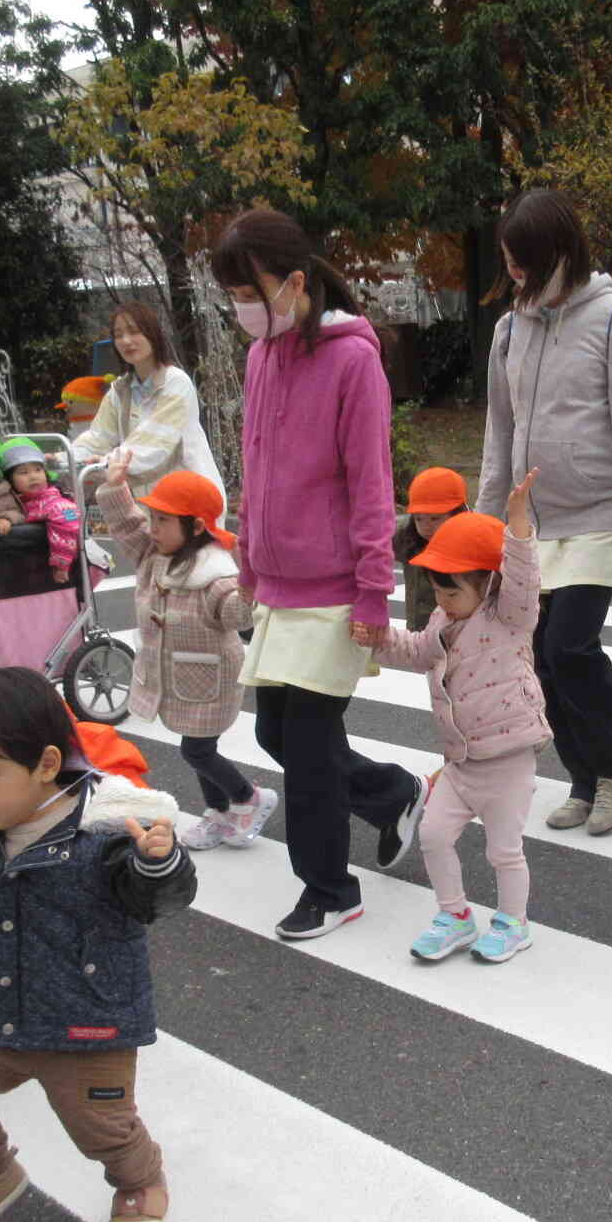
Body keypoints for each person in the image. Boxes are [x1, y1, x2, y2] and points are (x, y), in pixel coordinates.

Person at [0, 668, 193, 1222]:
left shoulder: (107, 826)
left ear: (45, 764)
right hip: (3, 1005)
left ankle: (139, 1179)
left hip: (89, 1020)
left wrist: (158, 862)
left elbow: (156, 900)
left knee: (101, 1128)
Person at [210, 209, 429, 941]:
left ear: (296, 283)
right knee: (276, 734)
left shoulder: (352, 360)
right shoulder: (262, 355)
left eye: (252, 291)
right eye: (233, 294)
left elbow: (371, 484)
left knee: (304, 751)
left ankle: (330, 888)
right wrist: (246, 555)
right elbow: (253, 464)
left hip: (336, 587)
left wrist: (374, 590)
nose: (242, 308)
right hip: (278, 585)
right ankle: (391, 792)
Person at [476, 187, 612, 838]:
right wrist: (482, 529)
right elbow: (499, 434)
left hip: (600, 517)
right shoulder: (508, 330)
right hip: (534, 527)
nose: (516, 276)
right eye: (510, 263)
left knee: (570, 645)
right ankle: (586, 779)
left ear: (560, 252)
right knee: (542, 660)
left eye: (524, 263)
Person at [374, 471, 548, 961]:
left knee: (503, 852)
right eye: (437, 592)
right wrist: (377, 638)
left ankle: (514, 923)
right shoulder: (442, 620)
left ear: (487, 584)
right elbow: (415, 651)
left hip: (507, 761)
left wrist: (516, 527)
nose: (442, 602)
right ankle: (454, 915)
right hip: (460, 760)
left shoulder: (509, 617)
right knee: (431, 835)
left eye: (451, 592)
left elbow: (523, 580)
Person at [98, 465, 277, 850]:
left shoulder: (216, 575)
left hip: (210, 683)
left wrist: (251, 583)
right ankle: (217, 811)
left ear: (196, 527)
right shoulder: (153, 555)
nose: (153, 527)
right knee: (197, 748)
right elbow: (128, 526)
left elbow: (239, 615)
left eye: (163, 520)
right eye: (153, 518)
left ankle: (248, 797)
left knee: (195, 750)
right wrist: (115, 487)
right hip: (180, 681)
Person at [70, 302, 225, 505]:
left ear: (152, 334)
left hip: (193, 502)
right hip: (150, 507)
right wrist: (65, 456)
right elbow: (98, 437)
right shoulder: (120, 390)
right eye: (118, 335)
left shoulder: (175, 382)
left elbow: (154, 442)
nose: (126, 341)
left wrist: (107, 462)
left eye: (134, 331)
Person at [394, 466, 470, 633]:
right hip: (419, 633)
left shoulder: (472, 543)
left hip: (462, 635)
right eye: (419, 518)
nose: (426, 526)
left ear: (458, 513)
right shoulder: (409, 538)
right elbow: (377, 542)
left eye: (435, 518)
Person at [0, 438, 82, 584]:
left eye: (38, 470)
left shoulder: (59, 505)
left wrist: (61, 565)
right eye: (23, 472)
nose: (33, 476)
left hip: (57, 571)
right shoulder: (21, 502)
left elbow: (70, 524)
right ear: (9, 480)